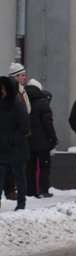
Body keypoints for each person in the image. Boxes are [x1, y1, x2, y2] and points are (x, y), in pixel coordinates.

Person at [0, 76, 30, 211]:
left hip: (16, 147)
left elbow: (24, 127)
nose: (3, 90)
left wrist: (11, 139)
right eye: (2, 88)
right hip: (2, 147)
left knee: (19, 176)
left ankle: (21, 202)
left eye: (6, 88)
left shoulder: (17, 105)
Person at [24, 79, 58, 198]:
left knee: (30, 167)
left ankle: (30, 191)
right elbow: (48, 123)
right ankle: (43, 189)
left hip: (27, 141)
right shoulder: (43, 102)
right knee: (44, 165)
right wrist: (53, 139)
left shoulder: (23, 101)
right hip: (43, 141)